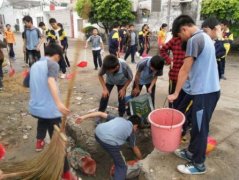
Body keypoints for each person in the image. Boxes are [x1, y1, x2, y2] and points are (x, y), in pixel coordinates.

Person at [168, 15, 220, 175]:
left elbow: (185, 69)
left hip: (205, 93)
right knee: (197, 126)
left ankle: (198, 164)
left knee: (200, 128)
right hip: (207, 91)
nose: (180, 39)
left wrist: (176, 93)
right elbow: (198, 70)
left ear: (184, 29)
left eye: (179, 35)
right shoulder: (205, 36)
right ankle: (191, 152)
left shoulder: (194, 40)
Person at [29, 43, 76, 179]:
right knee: (58, 142)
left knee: (42, 121)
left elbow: (27, 83)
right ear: (56, 55)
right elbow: (50, 81)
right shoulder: (53, 64)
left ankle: (39, 141)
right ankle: (66, 173)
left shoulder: (35, 65)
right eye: (60, 58)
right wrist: (59, 104)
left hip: (35, 108)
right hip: (49, 110)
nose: (59, 60)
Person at [75, 111, 142, 180]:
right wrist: (141, 159)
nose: (136, 130)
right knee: (122, 166)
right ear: (135, 125)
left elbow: (100, 113)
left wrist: (83, 117)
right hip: (108, 142)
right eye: (136, 128)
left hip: (97, 133)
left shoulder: (118, 118)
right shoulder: (131, 132)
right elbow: (135, 148)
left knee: (113, 142)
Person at [160, 35, 185, 107]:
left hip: (187, 77)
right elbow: (162, 50)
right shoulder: (175, 40)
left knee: (183, 99)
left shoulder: (193, 40)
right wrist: (169, 60)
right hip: (174, 74)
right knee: (171, 97)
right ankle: (171, 111)